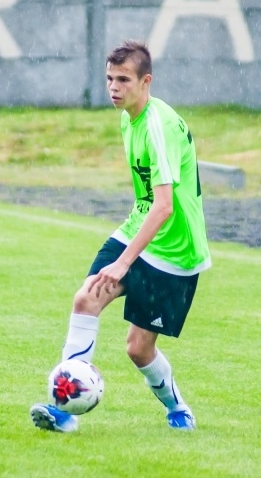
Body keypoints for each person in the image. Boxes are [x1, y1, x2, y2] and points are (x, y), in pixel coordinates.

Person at [30, 40, 212, 431]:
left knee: (138, 349)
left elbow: (164, 207)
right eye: (110, 78)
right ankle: (62, 411)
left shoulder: (158, 126)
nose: (114, 87)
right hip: (139, 229)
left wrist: (123, 261)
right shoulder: (129, 116)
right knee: (86, 298)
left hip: (176, 250)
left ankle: (178, 408)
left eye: (124, 79)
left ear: (146, 81)